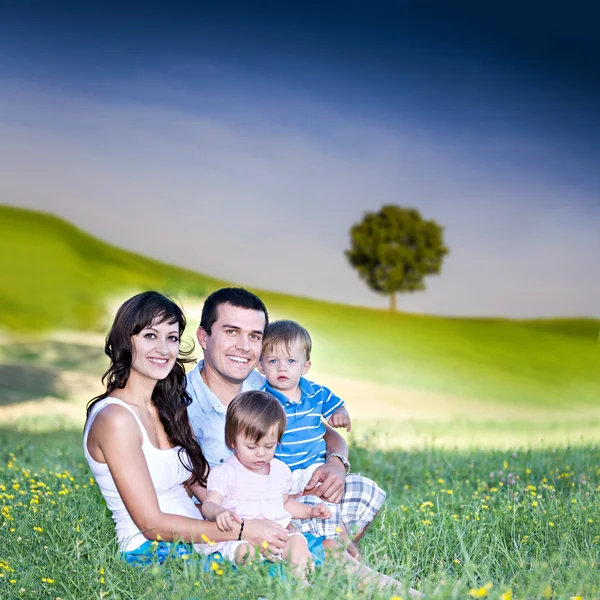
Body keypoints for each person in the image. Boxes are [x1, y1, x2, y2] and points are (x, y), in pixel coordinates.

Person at [83, 291, 289, 565]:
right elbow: (150, 524)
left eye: (172, 338)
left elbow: (199, 480)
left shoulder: (166, 405)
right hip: (152, 552)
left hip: (202, 540)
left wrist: (252, 516)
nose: (163, 349)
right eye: (150, 336)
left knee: (303, 561)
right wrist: (242, 530)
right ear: (125, 340)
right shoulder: (115, 419)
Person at [186, 287, 386, 560]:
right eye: (231, 331)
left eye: (255, 336)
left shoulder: (267, 385)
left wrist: (336, 465)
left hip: (290, 495)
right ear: (204, 337)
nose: (244, 346)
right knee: (322, 546)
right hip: (238, 512)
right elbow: (187, 480)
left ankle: (325, 548)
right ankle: (329, 554)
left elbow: (324, 431)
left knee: (358, 491)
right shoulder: (182, 402)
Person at [202, 390, 409, 593]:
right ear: (232, 442)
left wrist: (310, 512)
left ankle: (304, 587)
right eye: (251, 447)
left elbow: (284, 504)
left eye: (269, 446)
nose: (261, 454)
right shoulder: (227, 472)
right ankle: (260, 584)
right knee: (247, 554)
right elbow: (209, 504)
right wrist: (219, 513)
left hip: (278, 534)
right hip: (241, 538)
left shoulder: (279, 470)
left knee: (298, 543)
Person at [257, 319, 355, 552]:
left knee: (329, 501)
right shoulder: (262, 399)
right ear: (261, 367)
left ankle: (345, 546)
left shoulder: (316, 393)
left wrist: (340, 414)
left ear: (305, 366)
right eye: (273, 361)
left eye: (291, 361)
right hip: (282, 470)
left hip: (313, 467)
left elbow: (337, 407)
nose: (282, 368)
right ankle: (300, 546)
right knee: (285, 510)